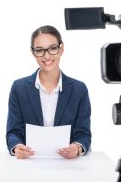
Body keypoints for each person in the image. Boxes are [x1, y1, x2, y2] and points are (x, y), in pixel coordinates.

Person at [6, 25, 91, 159]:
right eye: (39, 50)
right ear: (33, 52)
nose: (47, 56)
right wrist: (17, 147)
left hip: (68, 164)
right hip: (30, 163)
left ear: (61, 49)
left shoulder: (79, 89)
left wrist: (77, 147)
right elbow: (13, 132)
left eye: (52, 48)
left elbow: (83, 134)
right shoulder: (19, 88)